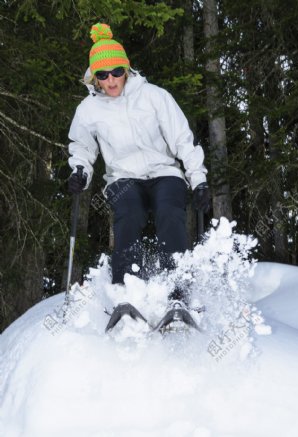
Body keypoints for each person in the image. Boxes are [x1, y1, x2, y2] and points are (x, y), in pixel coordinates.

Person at [68, 23, 210, 302]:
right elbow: (82, 146)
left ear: (127, 69)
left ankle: (178, 291)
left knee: (169, 212)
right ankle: (125, 292)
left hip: (164, 172)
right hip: (123, 178)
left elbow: (182, 139)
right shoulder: (88, 110)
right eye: (103, 74)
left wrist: (199, 179)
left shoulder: (154, 96)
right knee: (129, 215)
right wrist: (80, 171)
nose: (111, 80)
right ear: (94, 78)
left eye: (117, 72)